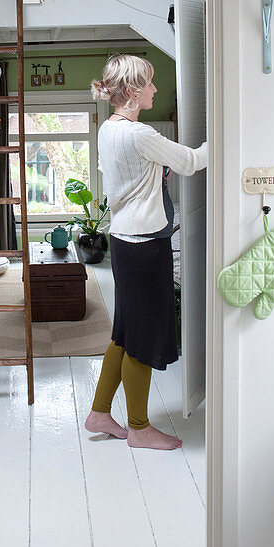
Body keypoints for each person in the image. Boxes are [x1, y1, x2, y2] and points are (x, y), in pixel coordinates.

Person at [85, 54, 207, 450]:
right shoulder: (140, 134)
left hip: (124, 243)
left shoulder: (109, 129)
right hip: (144, 247)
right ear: (134, 91)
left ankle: (100, 412)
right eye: (150, 83)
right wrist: (226, 135)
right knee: (140, 339)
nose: (155, 89)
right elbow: (190, 162)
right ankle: (138, 427)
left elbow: (138, 176)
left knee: (123, 334)